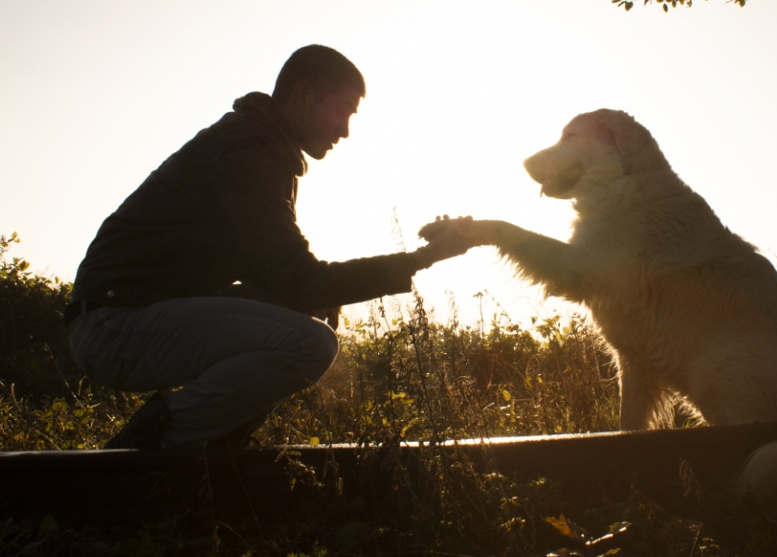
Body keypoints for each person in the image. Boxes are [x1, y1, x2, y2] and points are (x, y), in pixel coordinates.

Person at [65, 45, 473, 449]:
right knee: (312, 344)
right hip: (113, 326)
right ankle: (149, 446)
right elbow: (303, 280)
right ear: (302, 95)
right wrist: (424, 258)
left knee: (306, 311)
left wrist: (316, 295)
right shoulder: (249, 151)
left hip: (130, 317)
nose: (345, 130)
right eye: (343, 110)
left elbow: (287, 278)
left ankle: (216, 445)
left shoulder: (256, 144)